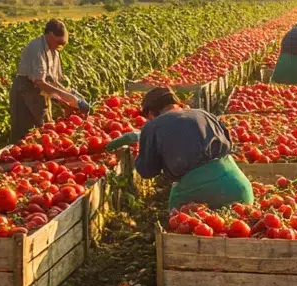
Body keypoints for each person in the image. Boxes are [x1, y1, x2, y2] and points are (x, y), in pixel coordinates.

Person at [105, 87, 254, 209]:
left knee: (182, 238)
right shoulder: (204, 114)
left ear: (151, 113)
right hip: (239, 187)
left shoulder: (153, 126)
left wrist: (142, 150)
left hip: (200, 195)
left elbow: (147, 171)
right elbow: (228, 142)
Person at [10, 19, 90, 142]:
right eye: (59, 42)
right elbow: (39, 82)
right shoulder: (36, 48)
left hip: (41, 91)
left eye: (63, 43)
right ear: (50, 35)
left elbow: (54, 81)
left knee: (45, 127)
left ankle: (38, 152)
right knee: (24, 129)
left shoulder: (54, 51)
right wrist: (66, 97)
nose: (61, 46)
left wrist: (71, 97)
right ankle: (16, 157)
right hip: (26, 89)